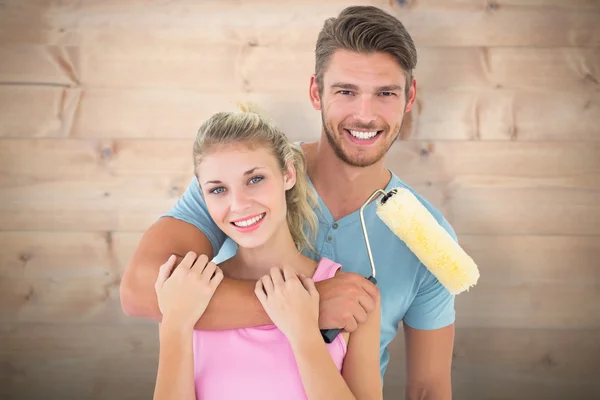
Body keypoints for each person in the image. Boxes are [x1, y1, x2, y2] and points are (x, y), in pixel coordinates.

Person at [121, 5, 455, 399]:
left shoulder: (430, 239)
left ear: (409, 96)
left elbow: (429, 387)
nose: (364, 115)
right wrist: (306, 304)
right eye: (346, 91)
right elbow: (142, 290)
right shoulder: (246, 178)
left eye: (385, 93)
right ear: (316, 92)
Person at [152, 103, 382, 400]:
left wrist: (304, 334)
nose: (239, 204)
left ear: (287, 174)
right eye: (218, 189)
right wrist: (174, 325)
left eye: (255, 179)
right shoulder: (190, 293)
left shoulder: (353, 300)